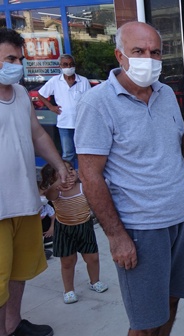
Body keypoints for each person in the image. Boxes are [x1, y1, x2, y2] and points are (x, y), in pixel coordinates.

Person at [74, 21, 184, 335]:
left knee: (172, 301)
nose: (148, 58)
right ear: (120, 55)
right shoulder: (97, 104)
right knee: (145, 322)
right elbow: (90, 176)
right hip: (141, 227)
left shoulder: (165, 94)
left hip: (183, 217)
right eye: (139, 51)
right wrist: (117, 236)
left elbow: (177, 151)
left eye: (155, 52)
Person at [0, 27, 70, 336]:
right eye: (9, 58)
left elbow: (38, 134)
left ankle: (12, 325)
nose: (17, 64)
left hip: (25, 201)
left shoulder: (19, 96)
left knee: (19, 271)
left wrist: (59, 166)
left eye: (19, 58)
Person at [39, 161, 108, 304]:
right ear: (54, 178)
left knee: (92, 258)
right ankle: (69, 290)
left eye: (71, 169)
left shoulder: (83, 187)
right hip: (64, 229)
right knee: (68, 262)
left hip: (85, 227)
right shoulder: (56, 192)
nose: (70, 172)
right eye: (63, 170)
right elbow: (49, 195)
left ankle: (95, 281)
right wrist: (57, 184)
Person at [37, 54, 91, 165]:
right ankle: (69, 179)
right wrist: (51, 107)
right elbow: (41, 94)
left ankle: (84, 177)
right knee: (68, 154)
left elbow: (90, 100)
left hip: (82, 123)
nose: (69, 67)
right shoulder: (55, 81)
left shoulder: (83, 81)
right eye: (65, 64)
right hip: (64, 123)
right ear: (60, 66)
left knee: (84, 153)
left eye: (71, 64)